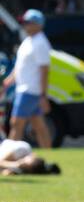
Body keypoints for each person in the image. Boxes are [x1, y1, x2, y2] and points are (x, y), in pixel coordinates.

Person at [2, 9, 53, 150]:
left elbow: (44, 71)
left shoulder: (41, 43)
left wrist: (43, 95)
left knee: (16, 123)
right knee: (38, 125)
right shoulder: (28, 41)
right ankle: (49, 153)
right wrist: (8, 80)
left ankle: (8, 154)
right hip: (24, 88)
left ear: (38, 24)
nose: (25, 25)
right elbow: (19, 66)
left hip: (30, 90)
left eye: (28, 22)